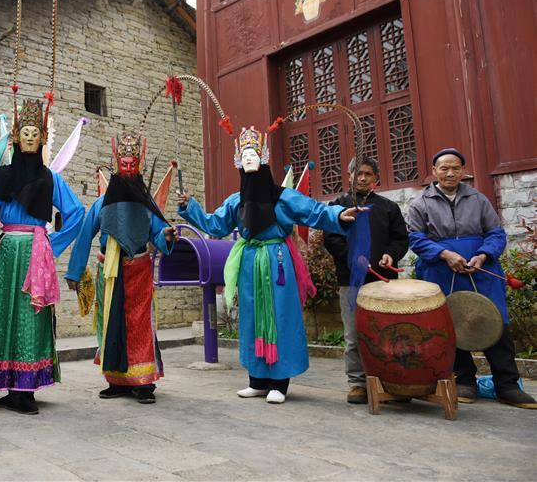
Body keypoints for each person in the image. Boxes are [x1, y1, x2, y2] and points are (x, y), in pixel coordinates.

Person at [177, 126, 362, 404]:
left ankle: (280, 382)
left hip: (277, 261)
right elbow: (214, 224)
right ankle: (257, 380)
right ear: (238, 161)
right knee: (250, 318)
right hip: (250, 262)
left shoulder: (284, 197)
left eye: (254, 154)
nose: (250, 159)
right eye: (245, 155)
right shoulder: (236, 201)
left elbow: (315, 211)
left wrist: (338, 214)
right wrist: (189, 206)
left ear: (263, 159)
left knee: (280, 316)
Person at [0, 98, 85, 415]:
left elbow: (76, 213)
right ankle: (11, 385)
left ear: (42, 138)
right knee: (3, 313)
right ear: (17, 137)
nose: (31, 136)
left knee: (29, 317)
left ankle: (26, 390)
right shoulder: (2, 176)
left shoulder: (50, 179)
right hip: (8, 249)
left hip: (35, 250)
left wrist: (52, 243)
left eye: (37, 132)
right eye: (26, 131)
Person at [407, 148, 536, 409]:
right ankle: (464, 380)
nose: (450, 173)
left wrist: (483, 255)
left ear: (463, 171)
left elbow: (496, 233)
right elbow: (415, 238)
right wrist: (444, 254)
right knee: (451, 324)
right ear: (434, 172)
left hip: (482, 271)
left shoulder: (478, 199)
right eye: (444, 168)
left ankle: (507, 384)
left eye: (455, 168)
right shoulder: (421, 203)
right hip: (441, 271)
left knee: (495, 321)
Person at [64, 131, 176, 404]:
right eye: (123, 164)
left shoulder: (146, 205)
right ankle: (116, 380)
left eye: (132, 165)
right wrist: (74, 271)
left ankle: (143, 382)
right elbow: (84, 236)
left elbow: (158, 233)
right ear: (117, 165)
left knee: (139, 326)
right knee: (109, 324)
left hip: (138, 270)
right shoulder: (102, 203)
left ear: (138, 166)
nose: (127, 169)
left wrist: (167, 237)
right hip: (110, 272)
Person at [323, 156, 409, 405]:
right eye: (358, 173)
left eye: (368, 174)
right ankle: (358, 383)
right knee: (354, 334)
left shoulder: (388, 208)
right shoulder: (337, 206)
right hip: (351, 281)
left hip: (383, 282)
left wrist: (390, 255)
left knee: (386, 332)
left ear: (376, 178)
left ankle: (389, 380)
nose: (362, 178)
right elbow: (331, 239)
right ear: (348, 175)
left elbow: (400, 239)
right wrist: (352, 257)